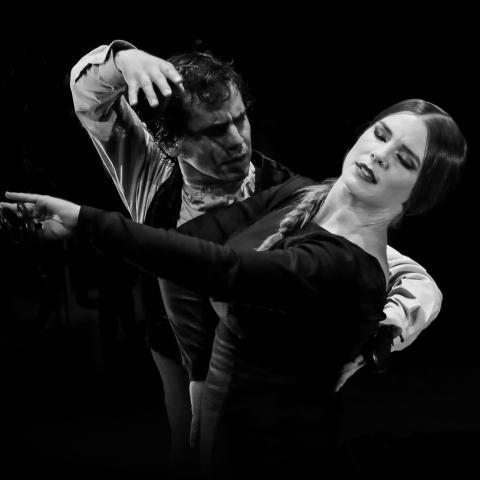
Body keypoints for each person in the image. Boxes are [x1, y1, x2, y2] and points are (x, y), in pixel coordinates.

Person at [3, 98, 467, 478]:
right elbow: (185, 251)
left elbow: (221, 268)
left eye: (404, 160)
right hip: (221, 442)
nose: (381, 155)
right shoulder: (299, 194)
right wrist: (199, 376)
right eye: (381, 135)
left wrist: (84, 220)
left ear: (417, 196)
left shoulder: (346, 268)